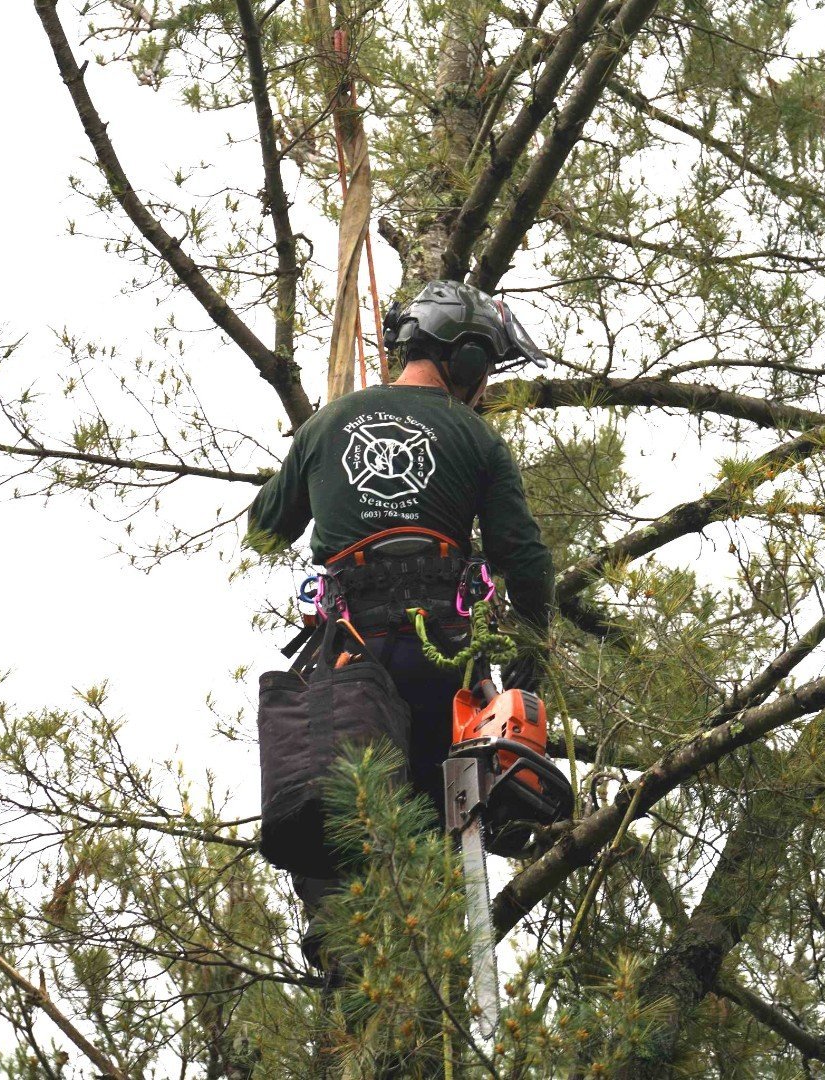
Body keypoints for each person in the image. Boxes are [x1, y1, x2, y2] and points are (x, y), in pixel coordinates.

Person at [244, 279, 554, 969]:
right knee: (439, 826)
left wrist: (314, 471)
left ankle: (350, 955)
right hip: (442, 658)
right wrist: (531, 668)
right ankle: (428, 956)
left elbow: (265, 532)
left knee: (340, 804)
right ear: (466, 360)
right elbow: (526, 562)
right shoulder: (477, 437)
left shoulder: (328, 424)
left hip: (350, 659)